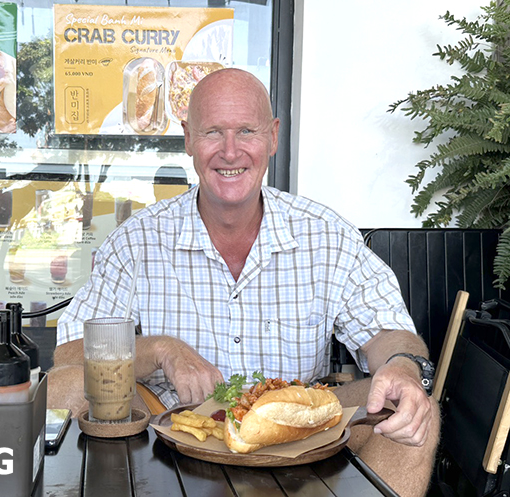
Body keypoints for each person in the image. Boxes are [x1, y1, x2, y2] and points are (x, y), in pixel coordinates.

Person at [50, 68, 438, 497]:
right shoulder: (136, 240)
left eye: (247, 131)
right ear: (189, 139)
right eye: (213, 132)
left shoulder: (325, 235)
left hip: (295, 438)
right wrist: (162, 350)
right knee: (62, 386)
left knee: (411, 407)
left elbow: (389, 333)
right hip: (170, 437)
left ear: (272, 136)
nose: (230, 152)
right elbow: (69, 355)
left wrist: (404, 368)